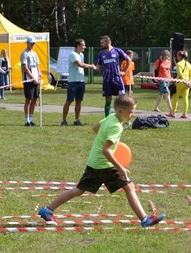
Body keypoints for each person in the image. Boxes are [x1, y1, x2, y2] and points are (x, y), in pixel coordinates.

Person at [37, 93, 164, 228]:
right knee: (129, 187)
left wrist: (103, 136)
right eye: (131, 112)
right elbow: (106, 150)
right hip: (104, 165)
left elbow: (96, 128)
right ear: (121, 111)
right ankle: (144, 219)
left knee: (79, 190)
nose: (133, 115)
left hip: (95, 162)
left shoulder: (111, 117)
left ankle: (48, 210)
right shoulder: (116, 127)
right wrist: (120, 167)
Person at [61, 38, 97, 126]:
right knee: (69, 101)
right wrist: (91, 66)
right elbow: (80, 64)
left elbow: (82, 65)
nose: (84, 47)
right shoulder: (72, 54)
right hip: (73, 82)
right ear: (78, 46)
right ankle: (64, 120)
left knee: (79, 101)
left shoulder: (81, 55)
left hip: (81, 81)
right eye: (83, 45)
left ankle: (76, 119)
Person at [94, 35, 128, 118]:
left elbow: (129, 60)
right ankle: (107, 119)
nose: (101, 44)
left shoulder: (117, 51)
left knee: (122, 99)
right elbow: (97, 67)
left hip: (117, 79)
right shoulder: (101, 53)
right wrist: (91, 66)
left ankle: (125, 118)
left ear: (108, 42)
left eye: (102, 42)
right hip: (107, 80)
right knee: (108, 99)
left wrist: (124, 71)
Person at [20, 37, 41, 126]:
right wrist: (33, 78)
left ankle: (31, 118)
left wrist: (39, 75)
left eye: (33, 43)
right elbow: (25, 68)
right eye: (31, 43)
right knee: (28, 99)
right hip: (28, 80)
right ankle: (27, 120)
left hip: (36, 79)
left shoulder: (35, 54)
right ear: (27, 43)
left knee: (35, 99)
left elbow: (37, 66)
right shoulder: (24, 54)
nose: (33, 45)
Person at [173, 49, 191, 118]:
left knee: (176, 96)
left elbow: (180, 74)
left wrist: (184, 81)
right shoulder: (189, 64)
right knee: (185, 98)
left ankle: (173, 112)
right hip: (187, 83)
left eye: (177, 56)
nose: (176, 57)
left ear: (180, 56)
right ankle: (185, 114)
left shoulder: (178, 64)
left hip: (180, 82)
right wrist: (189, 82)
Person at [152, 50, 173, 114]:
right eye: (165, 55)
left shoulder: (169, 62)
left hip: (167, 79)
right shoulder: (159, 61)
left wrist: (170, 77)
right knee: (167, 93)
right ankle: (171, 109)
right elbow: (153, 69)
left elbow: (168, 70)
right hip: (161, 79)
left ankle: (155, 107)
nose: (167, 57)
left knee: (161, 94)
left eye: (168, 55)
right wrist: (154, 77)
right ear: (163, 55)